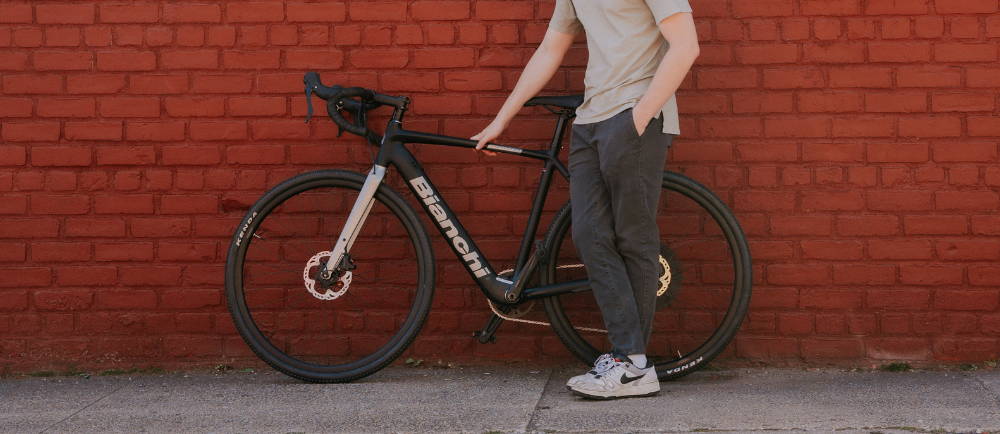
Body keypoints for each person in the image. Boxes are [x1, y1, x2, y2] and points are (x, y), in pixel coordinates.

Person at [470, 0, 700, 399]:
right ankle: (626, 358)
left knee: (633, 238)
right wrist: (501, 119)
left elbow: (686, 45)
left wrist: (641, 115)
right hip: (590, 121)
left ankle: (633, 364)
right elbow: (550, 50)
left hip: (633, 115)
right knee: (590, 235)